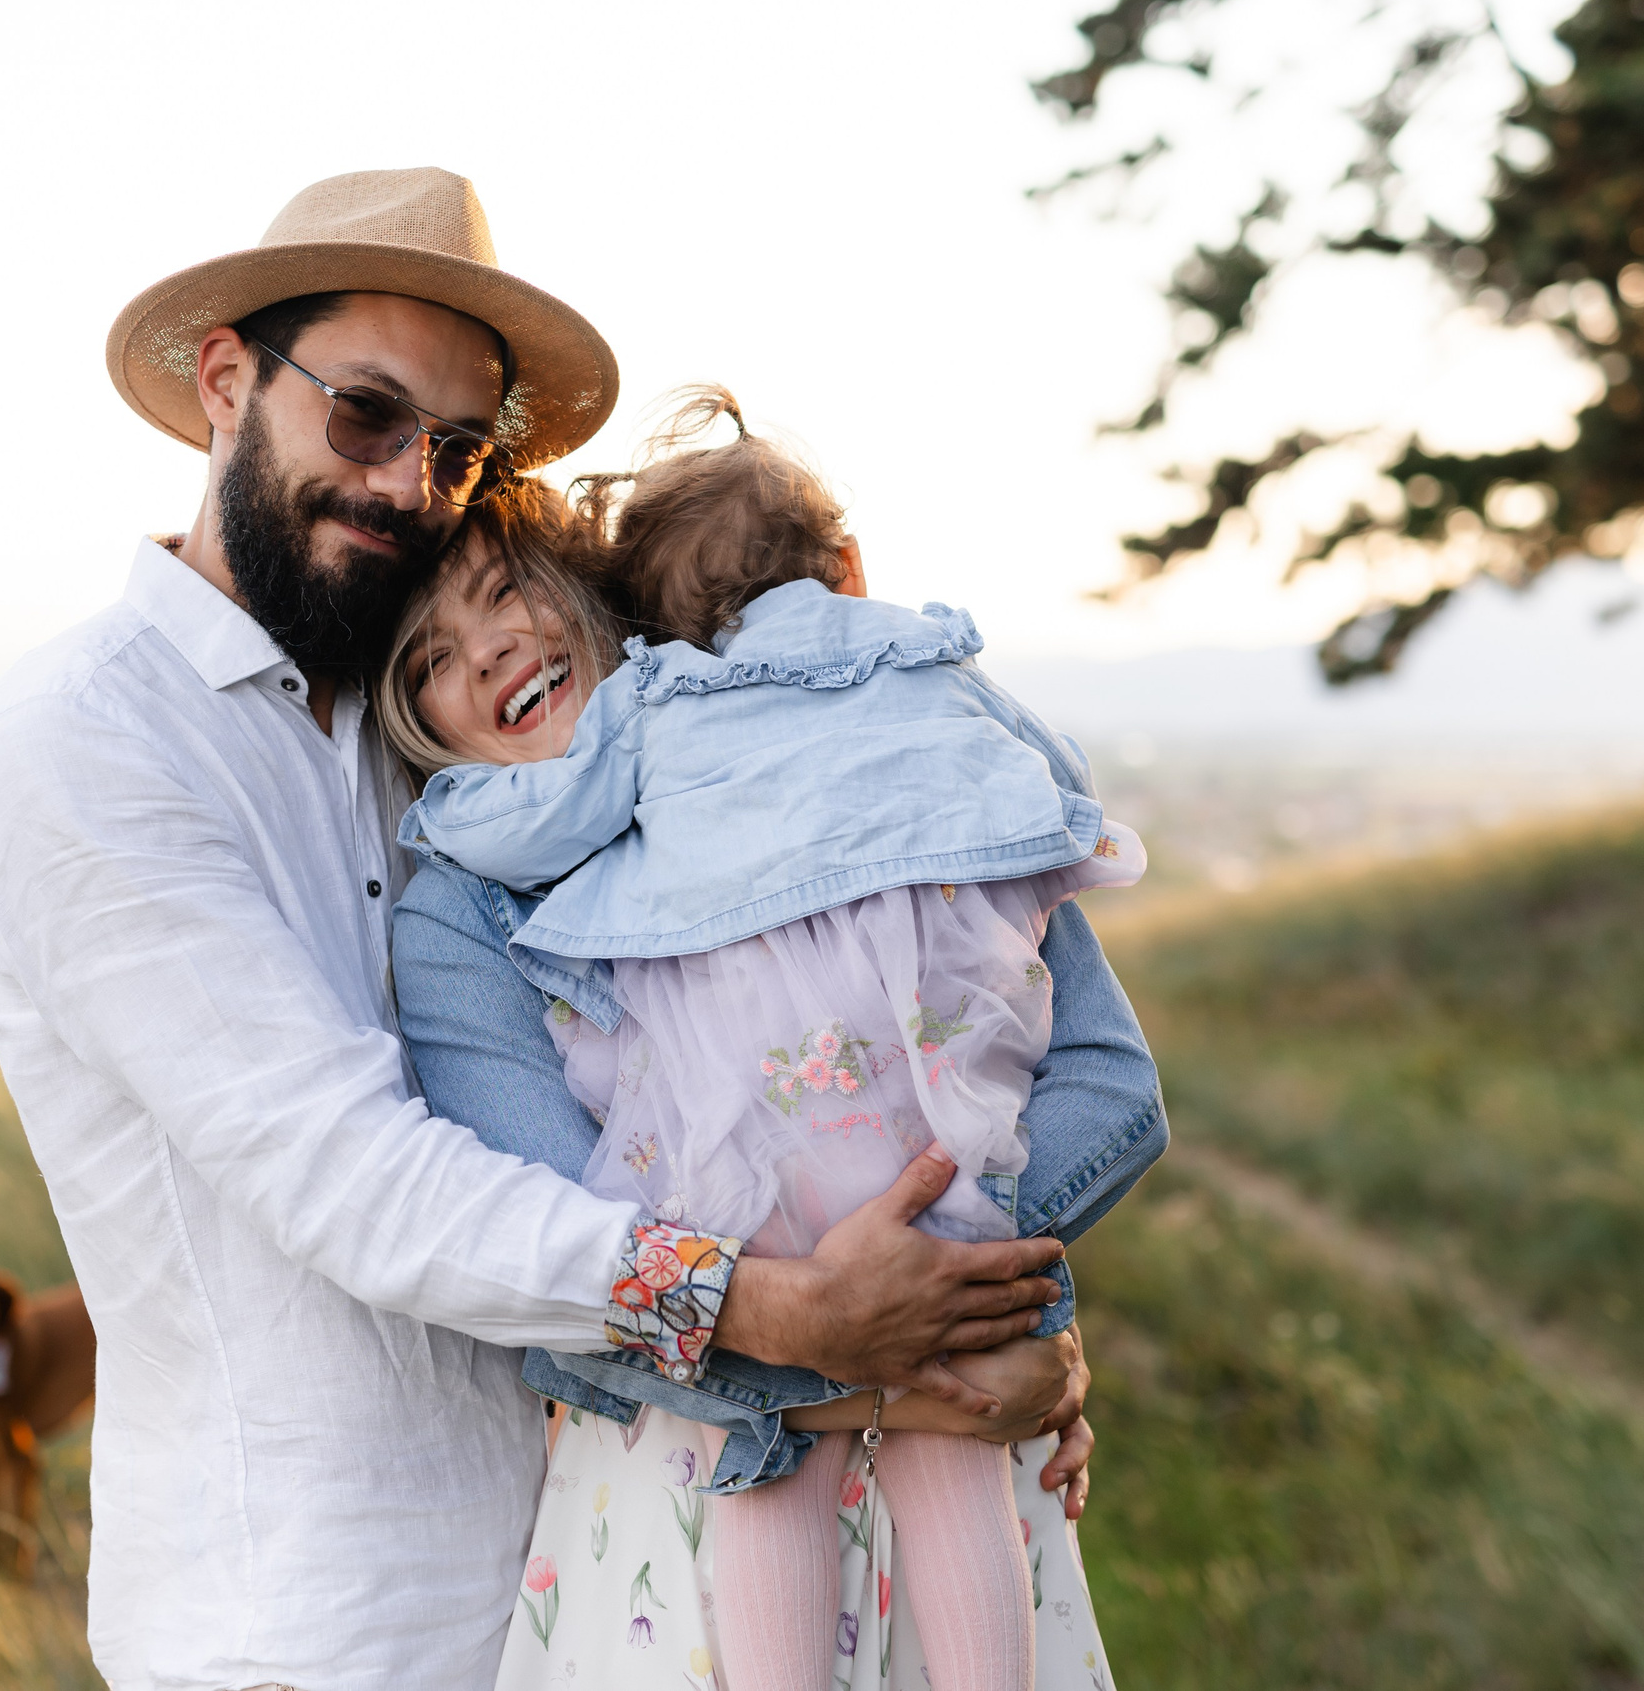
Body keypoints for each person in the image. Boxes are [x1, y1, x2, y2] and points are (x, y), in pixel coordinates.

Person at [0, 168, 1085, 1691]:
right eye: (365, 412)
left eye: (459, 447)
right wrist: (797, 1314)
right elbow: (351, 1177)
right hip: (313, 1625)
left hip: (593, 1570)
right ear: (226, 381)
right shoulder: (84, 745)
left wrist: (971, 1305)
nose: (411, 482)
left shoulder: (441, 739)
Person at [382, 430, 1167, 1687]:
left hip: (970, 1443)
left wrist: (966, 1279)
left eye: (500, 593)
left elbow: (1106, 1088)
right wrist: (917, 1368)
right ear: (416, 717)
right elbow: (542, 1263)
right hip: (682, 1500)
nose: (484, 651)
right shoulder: (460, 912)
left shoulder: (874, 769)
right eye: (429, 657)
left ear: (598, 597)